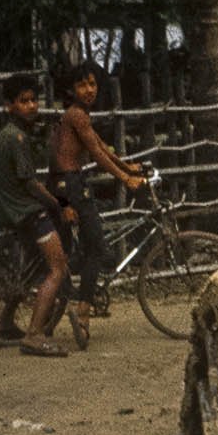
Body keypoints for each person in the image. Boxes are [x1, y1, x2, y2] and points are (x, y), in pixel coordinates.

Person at [47, 59, 147, 347]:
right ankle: (82, 312)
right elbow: (97, 154)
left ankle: (68, 295)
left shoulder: (78, 117)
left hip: (65, 183)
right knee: (99, 250)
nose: (89, 89)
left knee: (87, 247)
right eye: (82, 84)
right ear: (71, 89)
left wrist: (128, 167)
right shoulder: (76, 115)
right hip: (71, 185)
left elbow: (101, 146)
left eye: (92, 83)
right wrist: (124, 178)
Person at [0, 71, 71, 356]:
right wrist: (58, 204)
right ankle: (34, 335)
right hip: (27, 211)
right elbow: (31, 184)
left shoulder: (8, 135)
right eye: (24, 101)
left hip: (12, 209)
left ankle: (6, 322)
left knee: (32, 267)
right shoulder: (17, 139)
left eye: (34, 100)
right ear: (9, 105)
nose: (32, 106)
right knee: (57, 268)